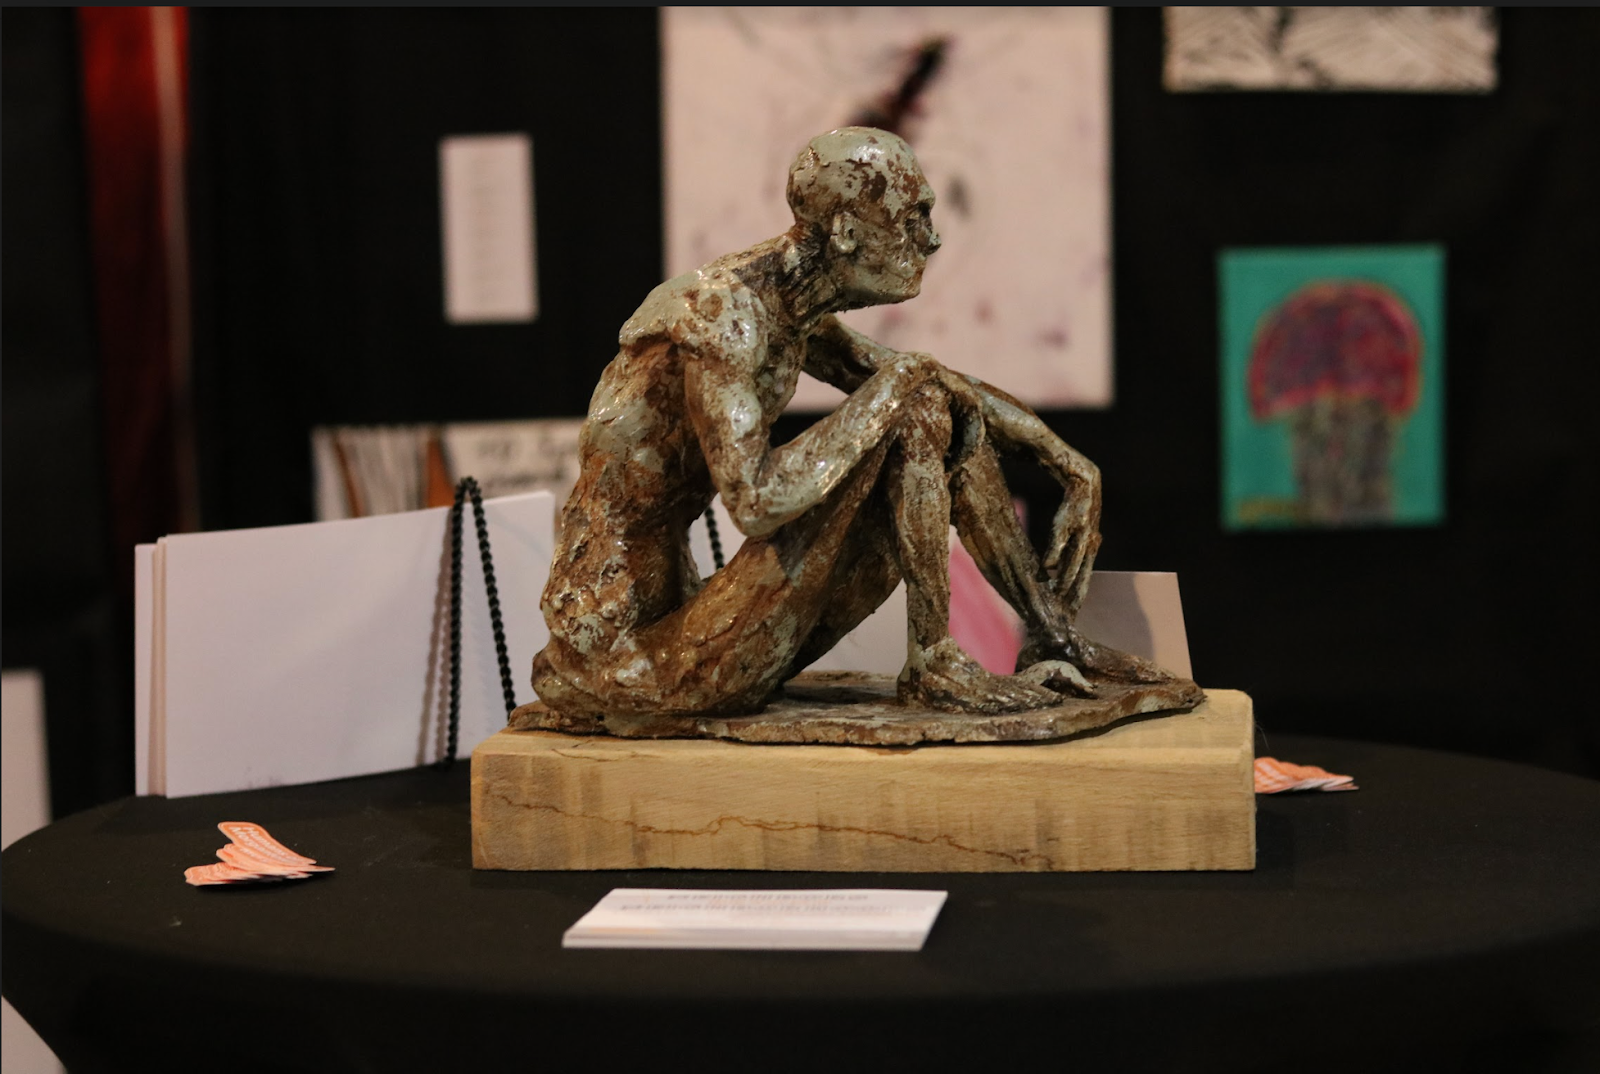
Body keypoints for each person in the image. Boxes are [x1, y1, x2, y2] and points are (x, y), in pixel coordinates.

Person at [530, 127, 1168, 719]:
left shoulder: (791, 307)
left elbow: (940, 387)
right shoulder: (724, 319)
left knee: (919, 395)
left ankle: (1051, 636)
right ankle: (936, 661)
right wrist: (901, 384)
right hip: (631, 657)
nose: (933, 239)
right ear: (844, 231)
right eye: (914, 216)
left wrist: (1067, 462)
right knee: (909, 396)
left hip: (693, 622)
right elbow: (755, 501)